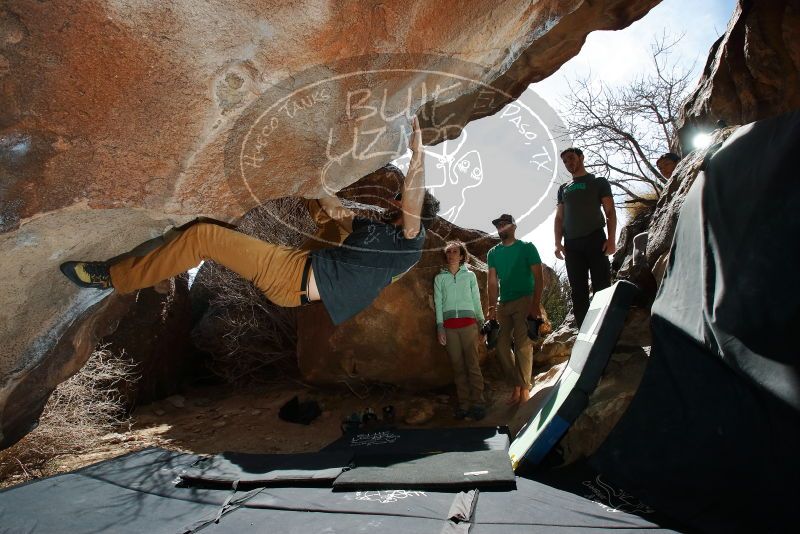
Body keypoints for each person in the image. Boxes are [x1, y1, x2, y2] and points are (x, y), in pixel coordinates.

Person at [61, 117, 440, 326]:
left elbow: (411, 207)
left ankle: (113, 279)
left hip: (292, 278)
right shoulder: (373, 230)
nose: (396, 200)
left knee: (204, 237)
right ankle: (161, 273)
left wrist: (417, 153)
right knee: (208, 230)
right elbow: (331, 209)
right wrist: (313, 171)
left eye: (405, 201)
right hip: (297, 270)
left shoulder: (409, 245)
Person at [554, 147, 616, 327]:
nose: (568, 163)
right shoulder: (563, 188)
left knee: (602, 285)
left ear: (581, 157)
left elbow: (610, 211)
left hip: (595, 239)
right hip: (571, 244)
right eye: (565, 161)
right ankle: (583, 331)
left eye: (571, 158)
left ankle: (606, 328)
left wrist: (611, 239)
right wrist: (558, 243)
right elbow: (559, 217)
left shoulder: (598, 181)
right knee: (577, 291)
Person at [486, 214, 543, 405]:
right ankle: (516, 384)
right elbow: (492, 282)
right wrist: (491, 307)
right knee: (501, 346)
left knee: (522, 345)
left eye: (504, 224)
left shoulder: (527, 248)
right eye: (498, 225)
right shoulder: (493, 253)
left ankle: (524, 388)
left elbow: (538, 277)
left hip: (525, 299)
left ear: (513, 227)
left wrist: (535, 305)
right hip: (504, 303)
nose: (501, 228)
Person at [434, 240, 486, 420]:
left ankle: (478, 403)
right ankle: (464, 405)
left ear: (462, 255)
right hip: (449, 328)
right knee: (458, 368)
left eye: (455, 251)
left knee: (472, 365)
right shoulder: (440, 278)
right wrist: (440, 327)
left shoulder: (470, 276)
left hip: (469, 325)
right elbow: (438, 304)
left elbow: (476, 300)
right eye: (448, 252)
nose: (451, 255)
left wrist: (481, 322)